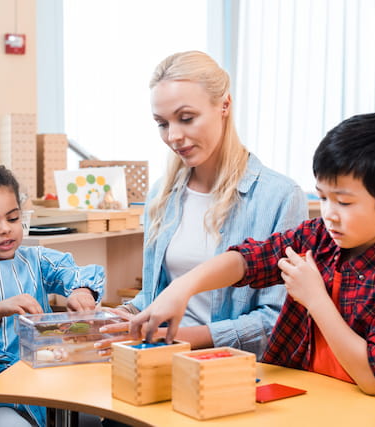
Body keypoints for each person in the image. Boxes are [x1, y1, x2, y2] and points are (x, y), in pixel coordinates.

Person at [130, 112, 375, 403]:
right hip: (310, 403)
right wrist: (181, 289)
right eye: (322, 197)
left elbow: (374, 378)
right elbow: (248, 260)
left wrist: (316, 299)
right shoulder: (316, 238)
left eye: (344, 202)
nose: (329, 214)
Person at [101, 50, 307, 359]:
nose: (174, 136)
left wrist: (177, 338)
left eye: (186, 118)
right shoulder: (162, 196)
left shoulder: (280, 196)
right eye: (162, 123)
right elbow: (154, 296)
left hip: (230, 374)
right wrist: (122, 317)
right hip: (158, 358)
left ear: (224, 105)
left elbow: (277, 319)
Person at [0, 161, 106, 427]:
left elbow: (73, 271)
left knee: (93, 415)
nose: (5, 228)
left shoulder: (36, 259)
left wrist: (81, 290)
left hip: (46, 379)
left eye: (13, 218)